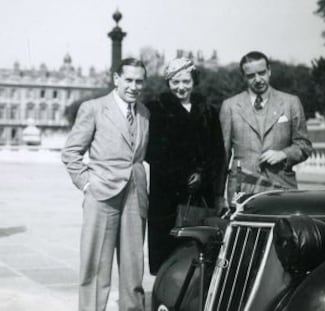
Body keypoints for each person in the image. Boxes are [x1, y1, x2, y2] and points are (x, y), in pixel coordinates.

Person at [61, 58, 149, 311]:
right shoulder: (94, 108)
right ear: (116, 79)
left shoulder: (144, 113)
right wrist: (87, 185)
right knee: (96, 264)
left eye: (139, 81)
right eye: (129, 80)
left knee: (133, 268)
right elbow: (71, 152)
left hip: (135, 195)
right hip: (101, 195)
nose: (133, 86)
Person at [146, 57, 226, 275]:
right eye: (175, 82)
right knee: (168, 254)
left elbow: (217, 152)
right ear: (168, 83)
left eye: (186, 81)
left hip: (201, 194)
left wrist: (203, 176)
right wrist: (183, 176)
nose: (181, 87)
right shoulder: (156, 109)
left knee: (199, 253)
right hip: (167, 196)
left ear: (194, 81)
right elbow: (152, 152)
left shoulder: (208, 111)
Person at [220, 51, 312, 203]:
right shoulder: (230, 106)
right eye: (251, 76)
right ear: (244, 77)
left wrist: (283, 154)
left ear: (269, 71)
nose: (257, 79)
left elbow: (305, 145)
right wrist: (218, 196)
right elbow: (222, 156)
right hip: (242, 191)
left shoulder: (291, 103)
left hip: (282, 188)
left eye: (261, 73)